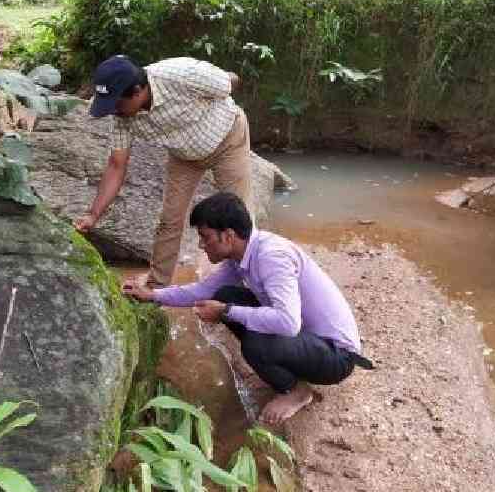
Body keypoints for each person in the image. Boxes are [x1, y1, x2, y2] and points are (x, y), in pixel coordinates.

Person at [124, 192, 373, 425]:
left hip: (336, 356)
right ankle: (280, 364)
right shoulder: (243, 255)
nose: (201, 245)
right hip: (309, 341)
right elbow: (202, 291)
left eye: (206, 237)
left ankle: (297, 392)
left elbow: (288, 322)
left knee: (253, 343)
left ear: (228, 236)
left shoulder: (270, 257)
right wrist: (153, 295)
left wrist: (226, 311)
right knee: (225, 294)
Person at [74, 55, 252, 289]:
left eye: (117, 104)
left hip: (228, 138)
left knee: (239, 217)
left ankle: (249, 281)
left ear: (138, 90)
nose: (113, 112)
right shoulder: (122, 118)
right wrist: (92, 215)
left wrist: (219, 81)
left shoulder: (181, 74)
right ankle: (157, 285)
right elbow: (117, 165)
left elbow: (229, 83)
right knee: (169, 219)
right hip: (184, 154)